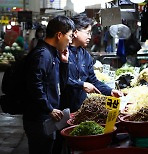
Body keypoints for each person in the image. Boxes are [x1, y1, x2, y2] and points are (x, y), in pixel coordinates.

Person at [23, 16, 75, 154]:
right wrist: (49, 108)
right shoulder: (42, 55)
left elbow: (61, 85)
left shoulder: (53, 54)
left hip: (47, 117)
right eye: (69, 36)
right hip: (39, 119)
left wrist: (64, 63)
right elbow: (34, 85)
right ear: (59, 35)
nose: (70, 41)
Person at [60, 14, 122, 113]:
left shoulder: (85, 55)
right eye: (87, 33)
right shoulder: (62, 53)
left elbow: (93, 80)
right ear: (75, 33)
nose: (90, 37)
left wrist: (110, 91)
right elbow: (60, 80)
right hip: (62, 109)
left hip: (81, 108)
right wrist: (81, 84)